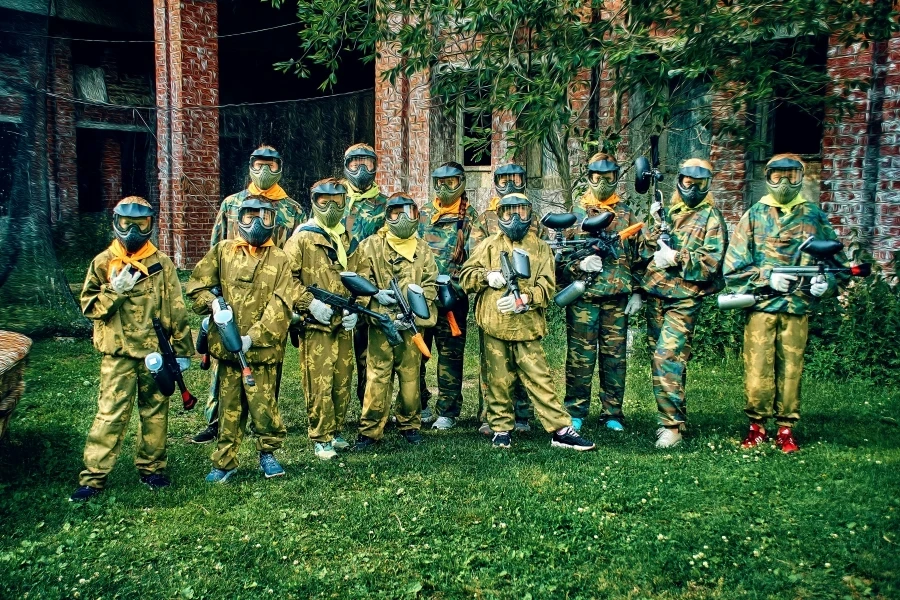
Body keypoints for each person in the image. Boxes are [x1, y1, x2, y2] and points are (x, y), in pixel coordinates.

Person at [70, 196, 193, 501]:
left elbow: (176, 307)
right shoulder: (102, 262)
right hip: (119, 355)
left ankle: (152, 469)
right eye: (127, 224)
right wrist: (115, 290)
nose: (134, 231)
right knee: (110, 414)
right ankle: (93, 478)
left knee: (154, 414)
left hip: (154, 354)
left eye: (142, 224)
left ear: (151, 224)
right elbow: (90, 307)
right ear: (116, 223)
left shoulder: (160, 263)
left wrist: (181, 349)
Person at [723, 154, 846, 453]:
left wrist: (823, 285)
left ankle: (785, 429)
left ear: (801, 177)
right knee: (757, 370)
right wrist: (767, 278)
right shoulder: (754, 215)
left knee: (791, 371)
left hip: (796, 309)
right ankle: (757, 427)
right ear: (767, 177)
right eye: (777, 176)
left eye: (791, 175)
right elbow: (733, 267)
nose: (784, 182)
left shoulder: (813, 215)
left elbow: (837, 265)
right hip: (761, 307)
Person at [458, 192, 595, 451]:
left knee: (540, 378)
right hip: (494, 324)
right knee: (497, 380)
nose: (515, 217)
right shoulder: (488, 245)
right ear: (499, 215)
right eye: (508, 211)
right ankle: (500, 428)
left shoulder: (540, 248)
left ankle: (560, 430)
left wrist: (524, 300)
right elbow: (466, 275)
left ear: (529, 214)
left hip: (527, 327)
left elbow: (547, 288)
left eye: (521, 211)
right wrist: (487, 277)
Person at [192, 145, 305, 445]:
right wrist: (215, 296)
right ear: (250, 166)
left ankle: (264, 422)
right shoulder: (232, 203)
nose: (264, 170)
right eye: (258, 164)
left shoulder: (292, 209)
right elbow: (217, 243)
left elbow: (295, 255)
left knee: (269, 364)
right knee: (224, 363)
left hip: (271, 291)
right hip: (232, 290)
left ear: (280, 167)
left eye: (270, 164)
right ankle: (216, 422)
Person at [186, 197, 293, 482]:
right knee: (229, 409)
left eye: (264, 217)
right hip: (227, 350)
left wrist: (253, 338)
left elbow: (282, 305)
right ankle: (224, 462)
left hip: (262, 352)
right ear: (238, 220)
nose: (256, 223)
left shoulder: (281, 259)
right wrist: (213, 304)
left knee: (264, 407)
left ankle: (267, 454)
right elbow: (196, 287)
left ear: (274, 222)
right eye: (249, 216)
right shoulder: (223, 251)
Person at [642, 158, 728, 449]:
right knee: (673, 362)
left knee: (665, 358)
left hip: (685, 298)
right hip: (657, 296)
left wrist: (677, 258)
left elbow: (710, 264)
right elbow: (648, 252)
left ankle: (671, 427)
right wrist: (654, 228)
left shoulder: (712, 218)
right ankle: (677, 417)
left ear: (708, 185)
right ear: (679, 181)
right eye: (688, 183)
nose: (692, 189)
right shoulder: (671, 212)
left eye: (699, 184)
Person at [561, 153, 646, 432]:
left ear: (616, 178)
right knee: (579, 358)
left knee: (614, 359)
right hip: (583, 298)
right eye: (597, 177)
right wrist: (578, 265)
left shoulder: (627, 215)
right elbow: (561, 257)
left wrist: (637, 292)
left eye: (608, 177)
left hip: (617, 299)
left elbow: (638, 258)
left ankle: (613, 413)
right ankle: (575, 410)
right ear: (588, 178)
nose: (602, 183)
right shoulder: (575, 214)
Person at [353, 193, 438, 450]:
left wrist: (415, 308)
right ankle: (370, 430)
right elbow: (358, 282)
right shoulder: (370, 246)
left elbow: (431, 285)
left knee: (410, 377)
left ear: (416, 216)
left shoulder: (422, 249)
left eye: (408, 213)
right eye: (395, 213)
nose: (401, 219)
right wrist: (375, 297)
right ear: (386, 216)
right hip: (380, 326)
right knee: (376, 377)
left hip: (410, 327)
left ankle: (410, 425)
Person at [283, 179, 359, 461]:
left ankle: (336, 430)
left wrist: (354, 308)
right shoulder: (302, 237)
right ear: (313, 201)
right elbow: (285, 279)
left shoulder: (345, 237)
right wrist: (310, 303)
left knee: (342, 378)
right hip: (316, 324)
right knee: (319, 381)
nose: (331, 206)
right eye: (324, 200)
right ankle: (320, 435)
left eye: (337, 200)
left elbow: (357, 279)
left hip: (342, 321)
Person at [418, 162, 487, 429]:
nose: (444, 188)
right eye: (440, 182)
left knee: (450, 358)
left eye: (451, 182)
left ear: (461, 183)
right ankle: (420, 405)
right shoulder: (423, 214)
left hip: (451, 302)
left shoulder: (472, 218)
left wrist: (455, 290)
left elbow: (475, 261)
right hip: (422, 300)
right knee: (417, 356)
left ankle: (447, 411)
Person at [469, 163, 535, 435]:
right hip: (494, 297)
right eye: (503, 179)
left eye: (515, 178)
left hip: (525, 299)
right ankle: (490, 415)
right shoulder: (485, 218)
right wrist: (489, 275)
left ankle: (522, 415)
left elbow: (540, 256)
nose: (509, 184)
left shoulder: (533, 217)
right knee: (492, 363)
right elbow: (477, 255)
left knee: (524, 360)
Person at [341, 143, 389, 407]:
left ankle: (366, 405)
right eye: (354, 163)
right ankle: (332, 411)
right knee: (331, 352)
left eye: (367, 163)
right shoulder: (335, 200)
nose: (361, 169)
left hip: (370, 286)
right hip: (335, 284)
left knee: (367, 351)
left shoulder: (384, 205)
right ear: (346, 166)